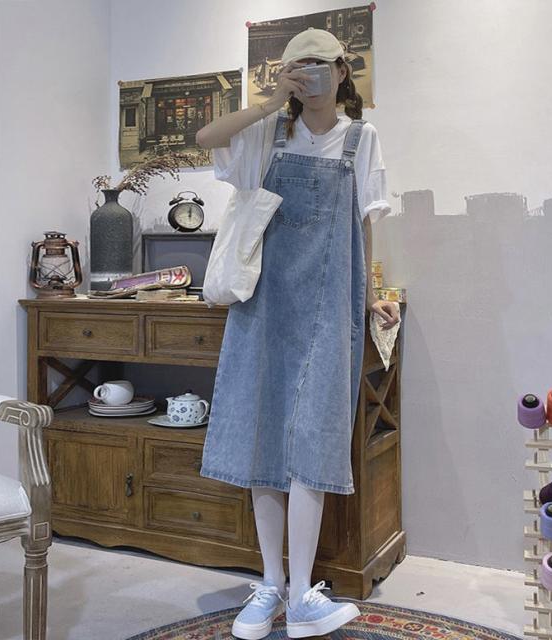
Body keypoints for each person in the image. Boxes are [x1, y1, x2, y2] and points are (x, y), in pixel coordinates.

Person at [195, 28, 400, 639]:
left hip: (331, 308)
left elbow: (365, 224)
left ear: (341, 72)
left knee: (313, 441)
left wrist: (371, 297)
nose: (308, 74)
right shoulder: (268, 132)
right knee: (264, 437)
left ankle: (303, 592)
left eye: (317, 64)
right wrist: (267, 100)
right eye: (296, 66)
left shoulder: (362, 138)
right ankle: (270, 585)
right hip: (265, 306)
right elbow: (206, 139)